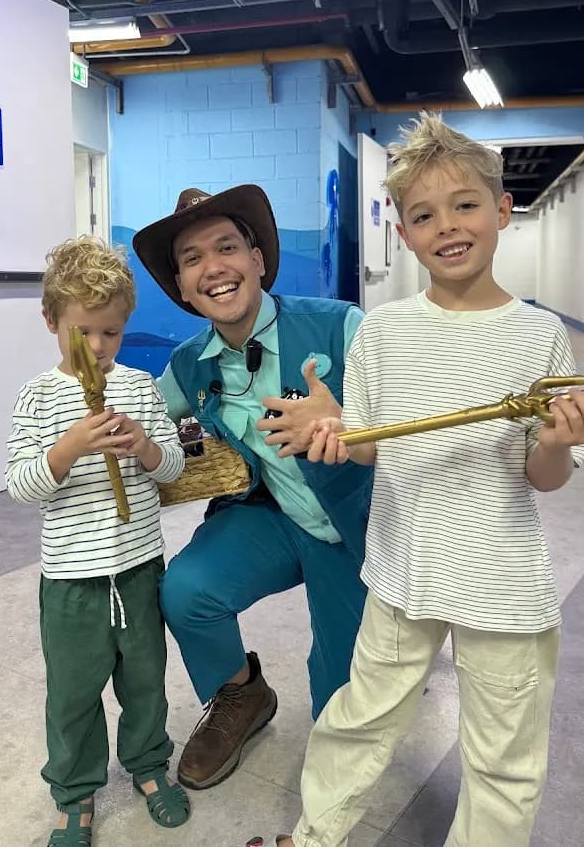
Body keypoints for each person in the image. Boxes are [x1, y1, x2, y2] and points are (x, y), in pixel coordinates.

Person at [274, 113, 584, 847]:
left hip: (502, 583)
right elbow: (371, 450)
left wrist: (558, 441)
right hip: (404, 570)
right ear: (403, 233)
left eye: (465, 205)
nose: (448, 226)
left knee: (504, 755)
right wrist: (335, 430)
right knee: (360, 718)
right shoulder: (384, 330)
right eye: (424, 215)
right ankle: (314, 834)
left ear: (502, 209)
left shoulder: (540, 336)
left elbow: (544, 476)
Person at [133, 184, 373, 791]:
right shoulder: (189, 363)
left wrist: (348, 422)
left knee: (340, 700)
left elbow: (414, 421)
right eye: (192, 259)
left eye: (227, 247)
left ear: (259, 258)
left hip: (360, 527)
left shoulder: (341, 326)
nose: (213, 268)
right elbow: (145, 421)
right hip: (274, 516)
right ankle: (242, 693)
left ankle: (389, 642)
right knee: (185, 590)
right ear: (182, 287)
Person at [5, 236, 191, 847]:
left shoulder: (139, 387)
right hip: (71, 582)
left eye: (111, 332)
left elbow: (173, 470)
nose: (98, 346)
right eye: (82, 332)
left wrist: (146, 447)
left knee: (145, 681)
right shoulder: (37, 397)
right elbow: (20, 486)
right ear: (50, 320)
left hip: (138, 569)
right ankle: (75, 792)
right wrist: (67, 449)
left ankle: (148, 764)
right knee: (73, 694)